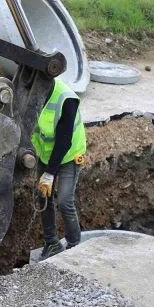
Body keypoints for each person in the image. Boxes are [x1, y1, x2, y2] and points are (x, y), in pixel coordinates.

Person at [32, 77, 87, 260]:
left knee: (64, 201)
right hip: (45, 153)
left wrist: (49, 173)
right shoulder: (31, 92)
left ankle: (74, 245)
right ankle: (52, 243)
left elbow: (64, 142)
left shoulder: (66, 99)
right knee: (43, 196)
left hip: (69, 154)